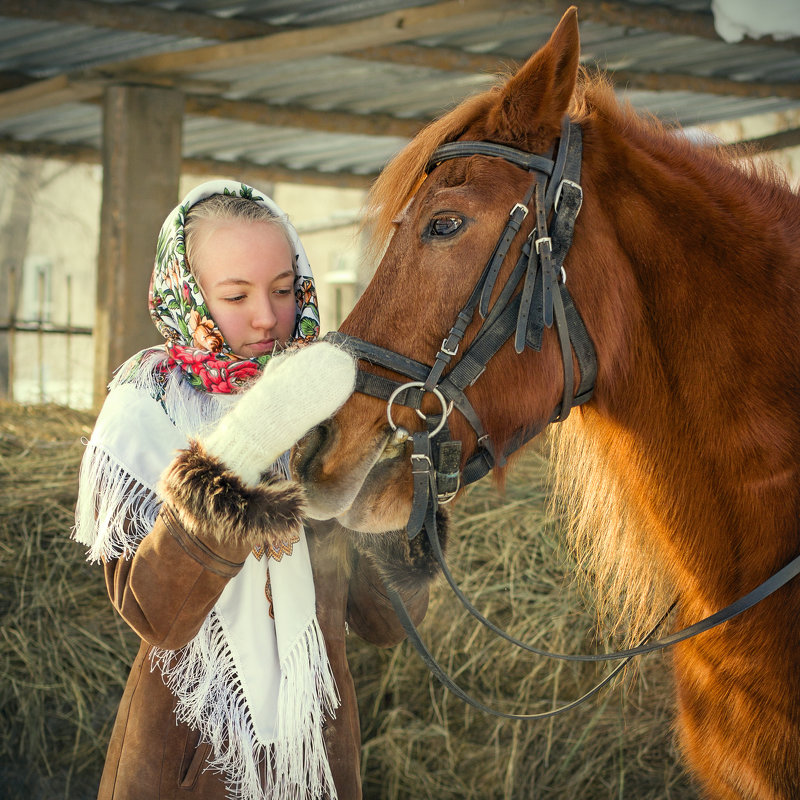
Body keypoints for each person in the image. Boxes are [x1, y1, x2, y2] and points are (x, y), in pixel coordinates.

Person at [73, 180, 442, 800]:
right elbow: (156, 618)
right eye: (236, 295)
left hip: (317, 760)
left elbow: (386, 623)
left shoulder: (329, 402)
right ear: (188, 296)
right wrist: (237, 457)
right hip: (189, 763)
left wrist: (394, 492)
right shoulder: (144, 413)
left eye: (280, 289)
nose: (268, 317)